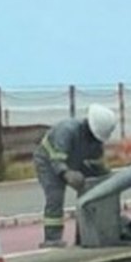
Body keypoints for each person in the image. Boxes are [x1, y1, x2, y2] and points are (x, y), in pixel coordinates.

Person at [33, 104, 117, 247]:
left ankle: (84, 235)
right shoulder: (66, 130)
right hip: (48, 161)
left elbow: (96, 163)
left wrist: (105, 177)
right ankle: (52, 239)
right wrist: (67, 173)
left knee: (94, 191)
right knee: (55, 196)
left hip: (73, 160)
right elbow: (56, 159)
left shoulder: (95, 141)